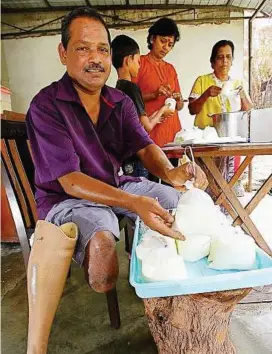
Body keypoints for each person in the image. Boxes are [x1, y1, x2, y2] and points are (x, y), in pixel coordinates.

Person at [25, 7, 207, 353]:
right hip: (68, 198)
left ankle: (179, 303)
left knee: (183, 204)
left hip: (116, 183)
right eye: (83, 48)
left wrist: (170, 173)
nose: (96, 59)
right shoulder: (47, 105)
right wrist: (132, 203)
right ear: (63, 53)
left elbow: (145, 145)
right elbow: (70, 181)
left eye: (103, 50)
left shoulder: (118, 100)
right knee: (103, 248)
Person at [188, 39, 253, 196]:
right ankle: (206, 214)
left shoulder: (237, 84)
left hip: (229, 142)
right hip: (205, 143)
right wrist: (205, 95)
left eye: (228, 57)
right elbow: (192, 109)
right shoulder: (202, 81)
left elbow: (249, 109)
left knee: (226, 183)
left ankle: (224, 214)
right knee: (205, 184)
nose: (225, 61)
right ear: (212, 62)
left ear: (232, 61)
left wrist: (243, 95)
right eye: (220, 57)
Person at [112, 34, 171, 177]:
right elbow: (145, 127)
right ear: (128, 60)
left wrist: (155, 116)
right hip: (138, 158)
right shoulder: (132, 88)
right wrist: (163, 110)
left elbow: (135, 123)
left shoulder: (117, 89)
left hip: (126, 160)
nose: (139, 65)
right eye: (138, 61)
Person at [134, 17, 184, 148]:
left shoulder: (170, 69)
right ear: (152, 39)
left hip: (172, 135)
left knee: (173, 168)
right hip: (150, 134)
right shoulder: (139, 63)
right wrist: (154, 95)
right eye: (163, 41)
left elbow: (179, 106)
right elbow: (129, 99)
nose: (166, 48)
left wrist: (178, 99)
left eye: (170, 45)